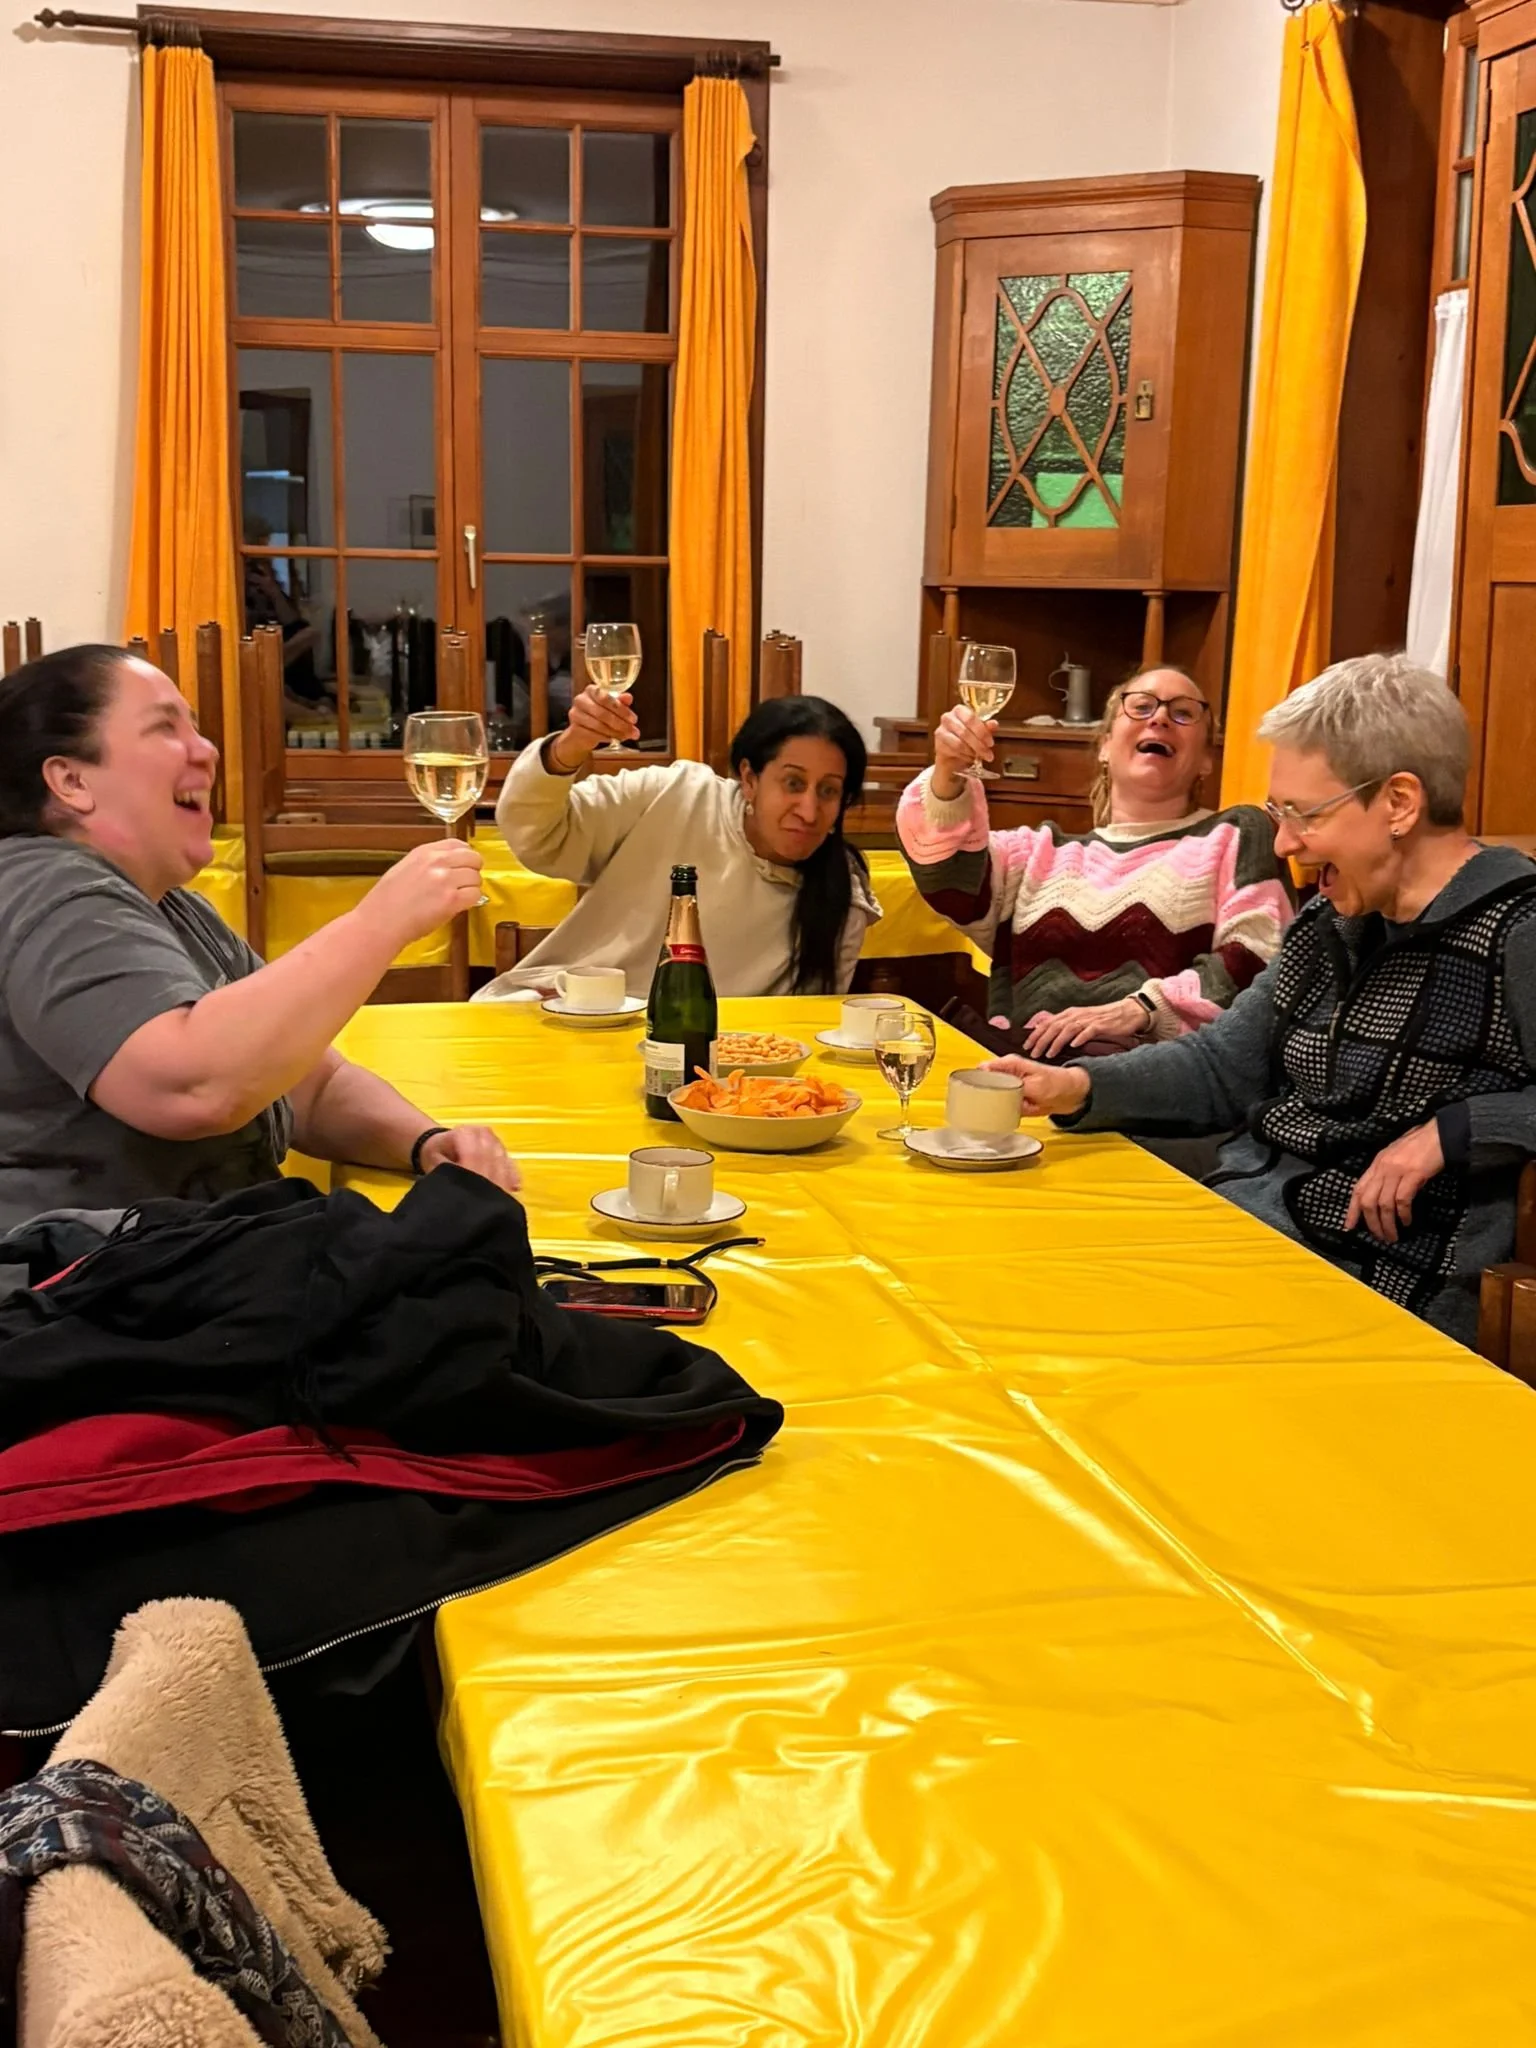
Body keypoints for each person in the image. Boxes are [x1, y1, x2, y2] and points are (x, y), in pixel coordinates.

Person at [988, 654, 1536, 1345]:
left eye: (1304, 814)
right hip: (1244, 1233)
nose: (1283, 843)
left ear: (1399, 803)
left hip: (1372, 1289)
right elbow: (1223, 1065)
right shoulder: (1328, 922)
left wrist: (1455, 1130)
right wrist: (1072, 1085)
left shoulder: (1519, 928)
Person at [0, 645, 519, 1228]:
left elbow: (311, 1087)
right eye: (166, 728)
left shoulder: (171, 908)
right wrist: (381, 922)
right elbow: (193, 1087)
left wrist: (423, 1143)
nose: (207, 750)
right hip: (92, 1292)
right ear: (70, 780)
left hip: (202, 1267)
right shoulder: (48, 887)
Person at [897, 667, 1293, 1055]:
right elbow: (949, 886)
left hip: (1152, 1096)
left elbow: (1260, 959)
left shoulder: (1237, 834)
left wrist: (1143, 1008)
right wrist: (948, 774)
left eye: (1184, 712)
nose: (1159, 718)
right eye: (1141, 706)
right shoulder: (1036, 853)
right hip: (1021, 1086)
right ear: (1104, 745)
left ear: (1207, 759)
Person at [478, 684, 880, 999]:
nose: (808, 811)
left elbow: (806, 1029)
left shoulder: (842, 896)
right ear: (750, 778)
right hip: (574, 1019)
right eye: (793, 783)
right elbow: (537, 834)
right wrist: (571, 747)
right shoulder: (674, 794)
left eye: (828, 791)